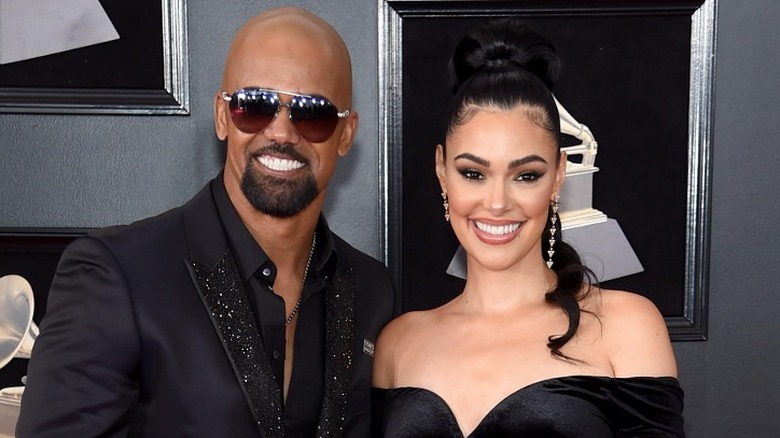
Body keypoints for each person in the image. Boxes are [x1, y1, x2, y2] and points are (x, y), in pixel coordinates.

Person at [17, 7, 397, 438]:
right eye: (256, 105)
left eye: (312, 114)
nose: (281, 133)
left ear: (345, 134)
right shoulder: (116, 276)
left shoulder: (371, 291)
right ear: (222, 115)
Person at [372, 18, 684, 437]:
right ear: (442, 173)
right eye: (473, 173)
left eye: (525, 175)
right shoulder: (397, 343)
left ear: (558, 176)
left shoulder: (626, 326)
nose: (497, 203)